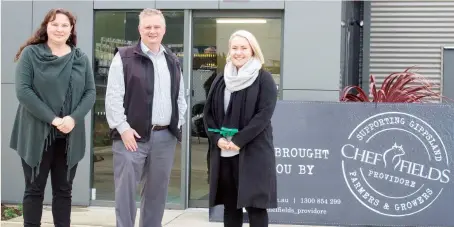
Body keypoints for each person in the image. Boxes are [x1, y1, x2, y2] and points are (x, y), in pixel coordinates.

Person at [10, 8, 96, 227]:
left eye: (64, 25)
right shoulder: (31, 54)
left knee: (64, 191)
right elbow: (24, 92)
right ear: (46, 27)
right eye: (54, 24)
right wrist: (55, 120)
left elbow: (90, 93)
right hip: (36, 133)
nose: (59, 29)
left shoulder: (80, 58)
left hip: (70, 135)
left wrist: (73, 119)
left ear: (71, 30)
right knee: (34, 189)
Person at [105, 8, 187, 227]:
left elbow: (180, 97)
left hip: (164, 138)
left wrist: (176, 124)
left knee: (156, 194)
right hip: (131, 137)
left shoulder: (172, 60)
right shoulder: (123, 57)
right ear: (140, 29)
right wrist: (123, 128)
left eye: (156, 27)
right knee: (125, 194)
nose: (152, 31)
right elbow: (113, 97)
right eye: (148, 27)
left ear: (164, 30)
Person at [203, 30, 278, 227]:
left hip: (254, 153)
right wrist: (216, 138)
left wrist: (238, 141)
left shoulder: (264, 79)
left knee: (256, 208)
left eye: (243, 48)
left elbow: (264, 115)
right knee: (230, 206)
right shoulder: (220, 79)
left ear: (252, 50)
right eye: (234, 48)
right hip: (225, 153)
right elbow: (209, 113)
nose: (238, 52)